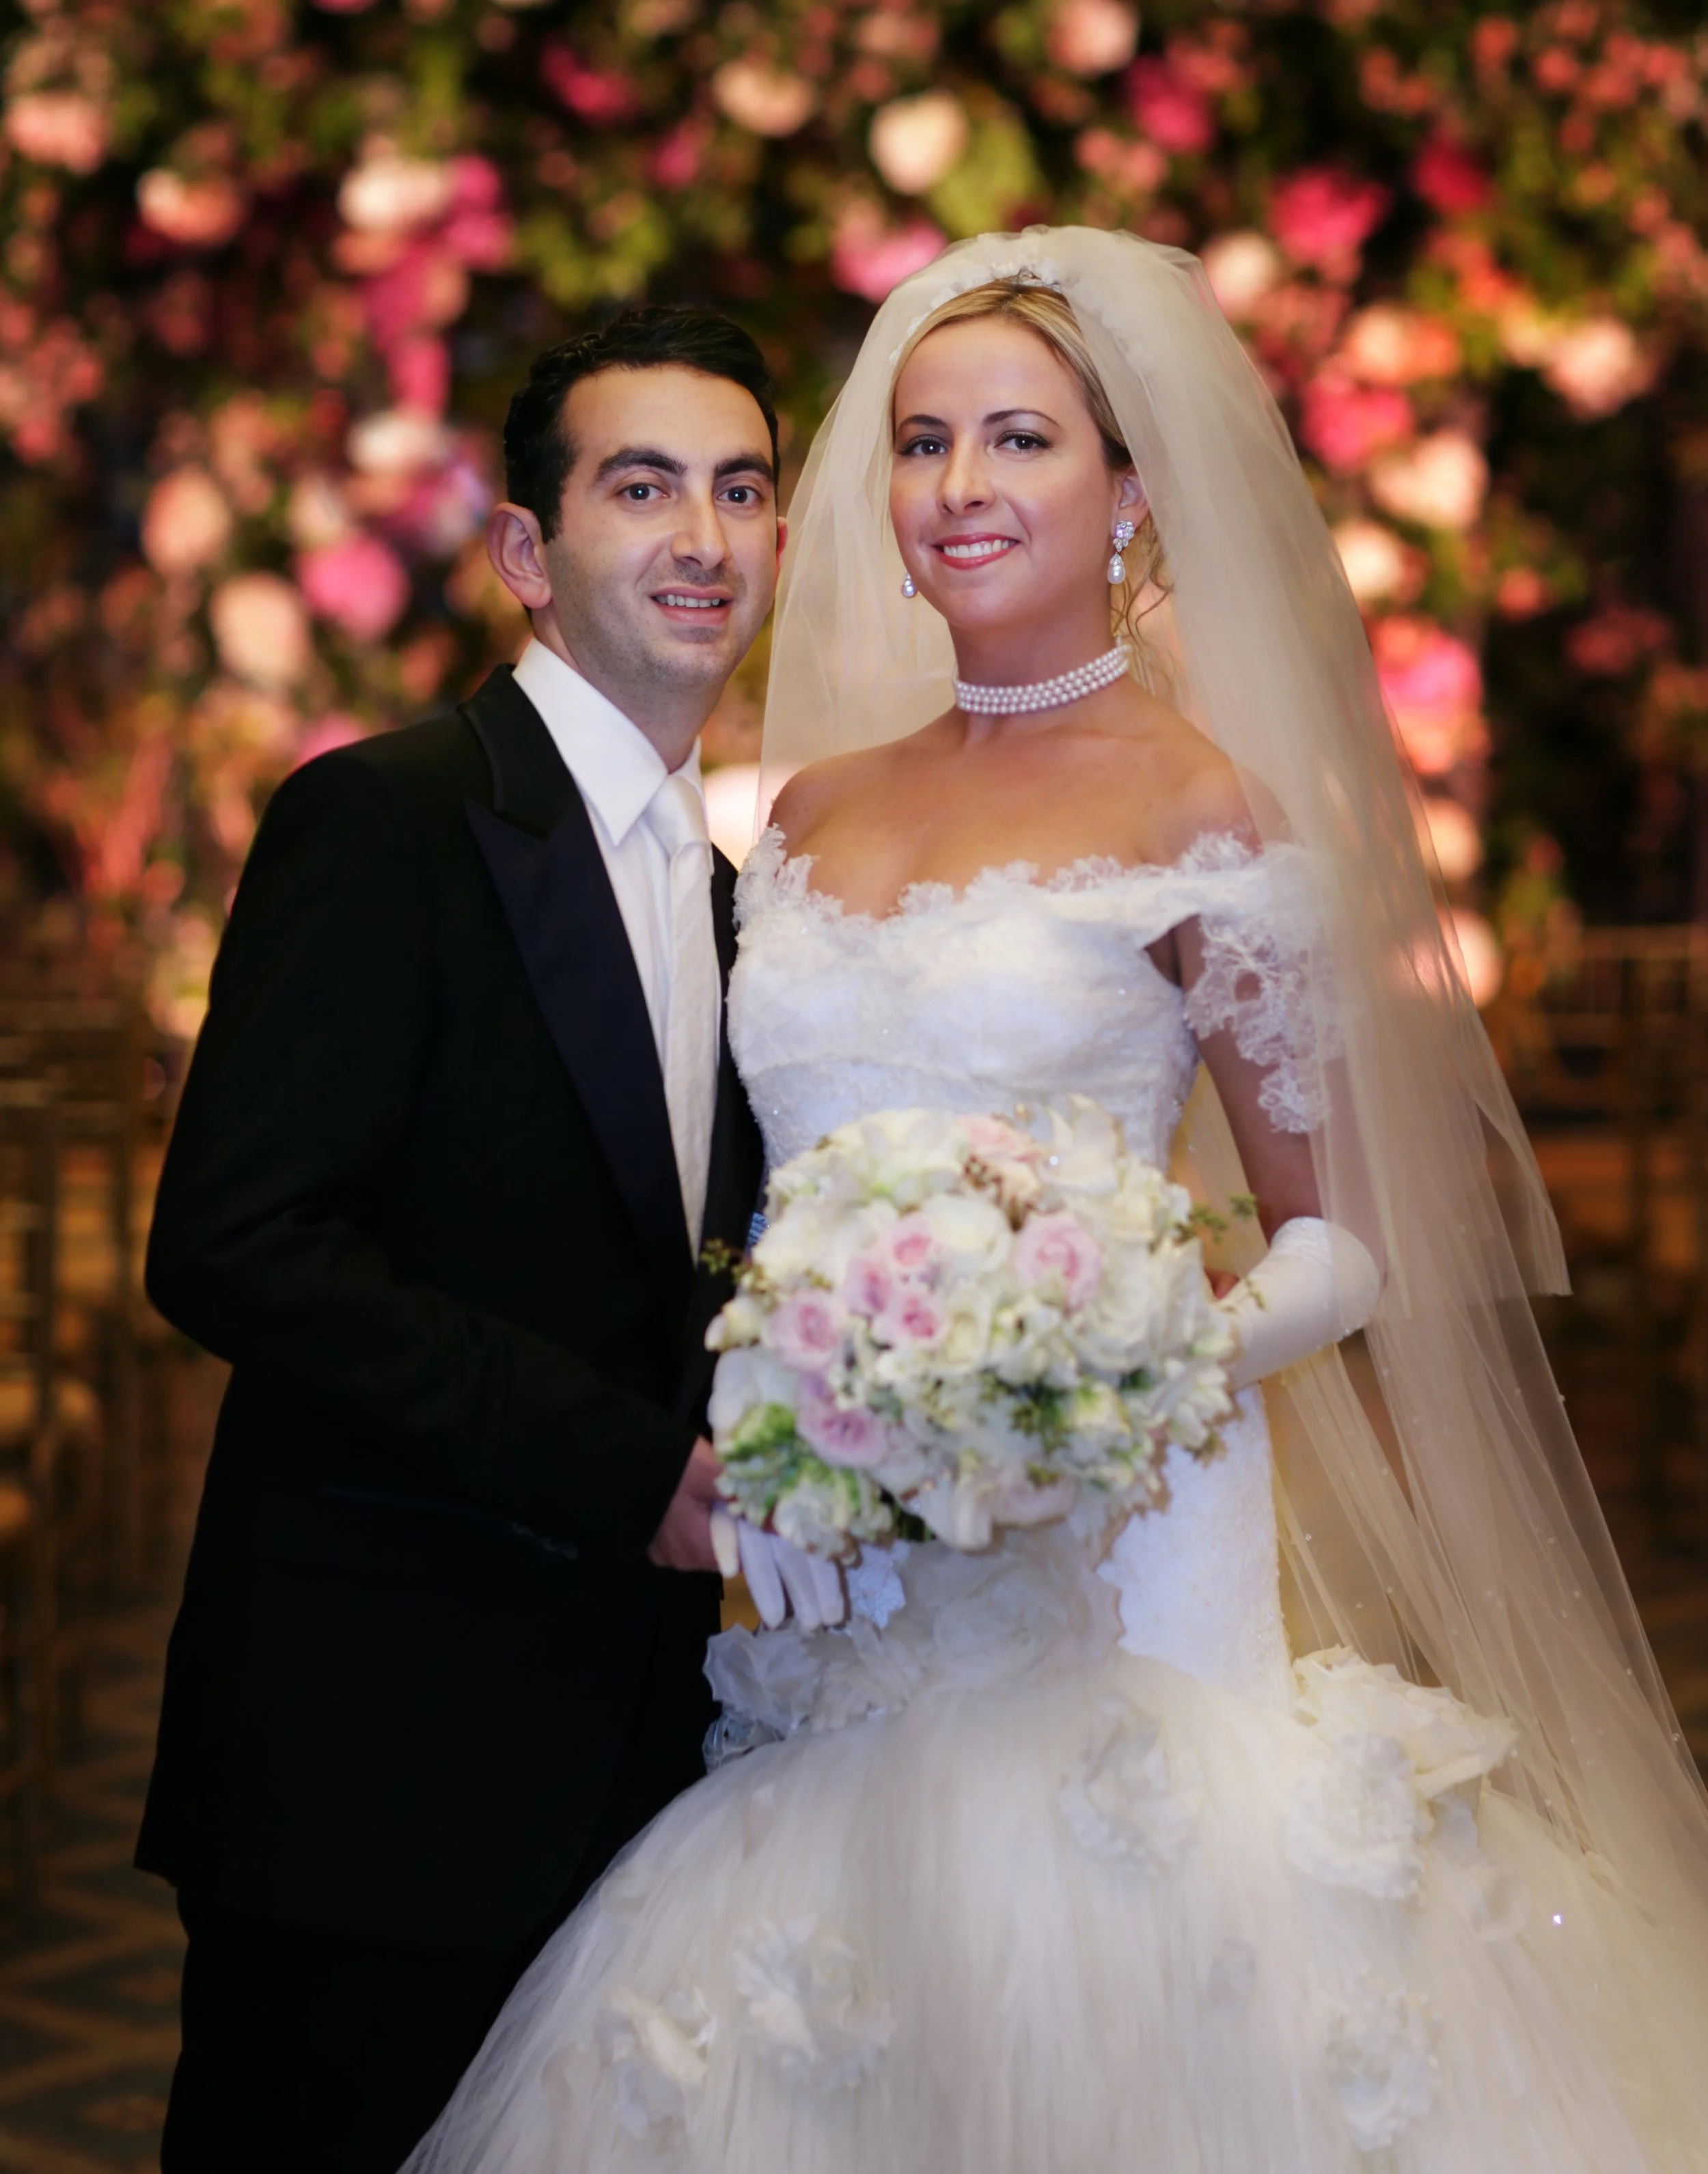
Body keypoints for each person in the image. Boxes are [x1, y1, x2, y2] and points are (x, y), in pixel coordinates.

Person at [407, 231, 1708, 2171]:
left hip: (1126, 1543)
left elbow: (1342, 1237)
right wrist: (801, 1388)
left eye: (1019, 439)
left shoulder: (1206, 809)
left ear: (1130, 493)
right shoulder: (811, 807)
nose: (956, 490)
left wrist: (1119, 1342)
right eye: (920, 443)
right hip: (854, 1549)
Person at [139, 305, 786, 2174]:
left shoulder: (742, 901)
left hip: (644, 1746)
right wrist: (623, 1468)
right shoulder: (388, 820)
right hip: (373, 1751)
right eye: (640, 485)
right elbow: (240, 1242)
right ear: (526, 551)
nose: (701, 536)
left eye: (740, 489)